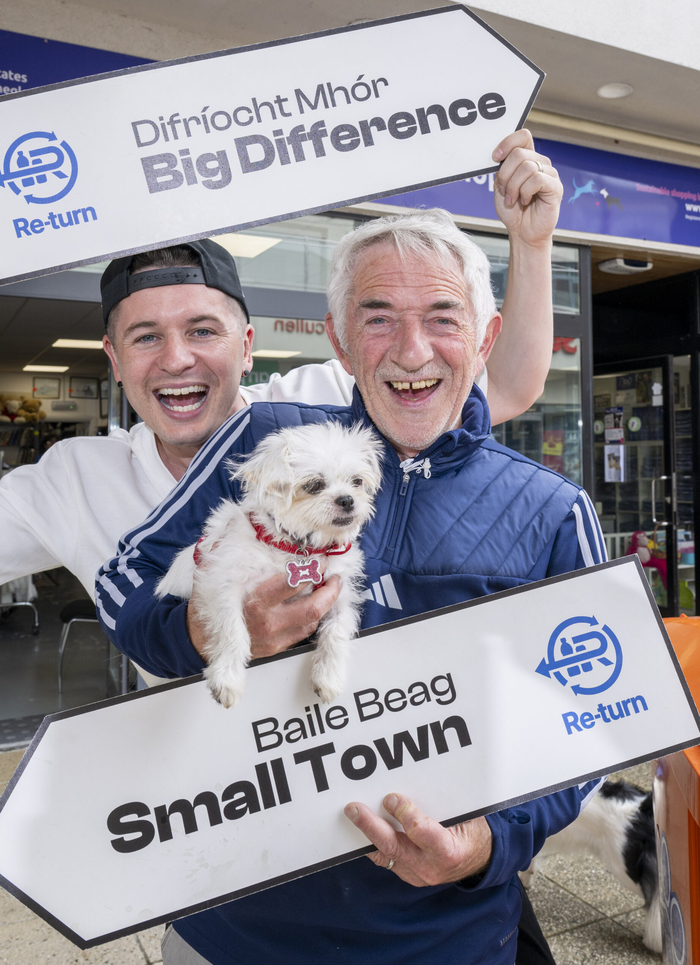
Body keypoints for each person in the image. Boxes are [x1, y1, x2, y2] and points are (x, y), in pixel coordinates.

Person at [96, 201, 606, 965]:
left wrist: (488, 844)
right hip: (229, 930)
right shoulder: (264, 440)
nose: (411, 350)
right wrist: (204, 632)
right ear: (337, 338)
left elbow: (597, 712)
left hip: (445, 940)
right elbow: (122, 590)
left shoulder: (552, 510)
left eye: (443, 316)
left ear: (484, 337)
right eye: (377, 318)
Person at [0, 130, 562, 683]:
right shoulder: (74, 477)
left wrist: (531, 244)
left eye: (202, 331)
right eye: (145, 337)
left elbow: (506, 384)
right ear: (114, 360)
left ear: (246, 348)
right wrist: (208, 632)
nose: (176, 360)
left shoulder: (311, 410)